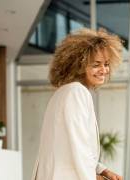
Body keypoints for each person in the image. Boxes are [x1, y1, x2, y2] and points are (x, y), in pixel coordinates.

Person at [32, 28, 123, 180]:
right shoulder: (77, 92)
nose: (103, 70)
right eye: (96, 65)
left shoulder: (62, 93)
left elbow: (71, 144)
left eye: (106, 64)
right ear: (78, 66)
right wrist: (94, 177)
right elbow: (78, 145)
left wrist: (103, 170)